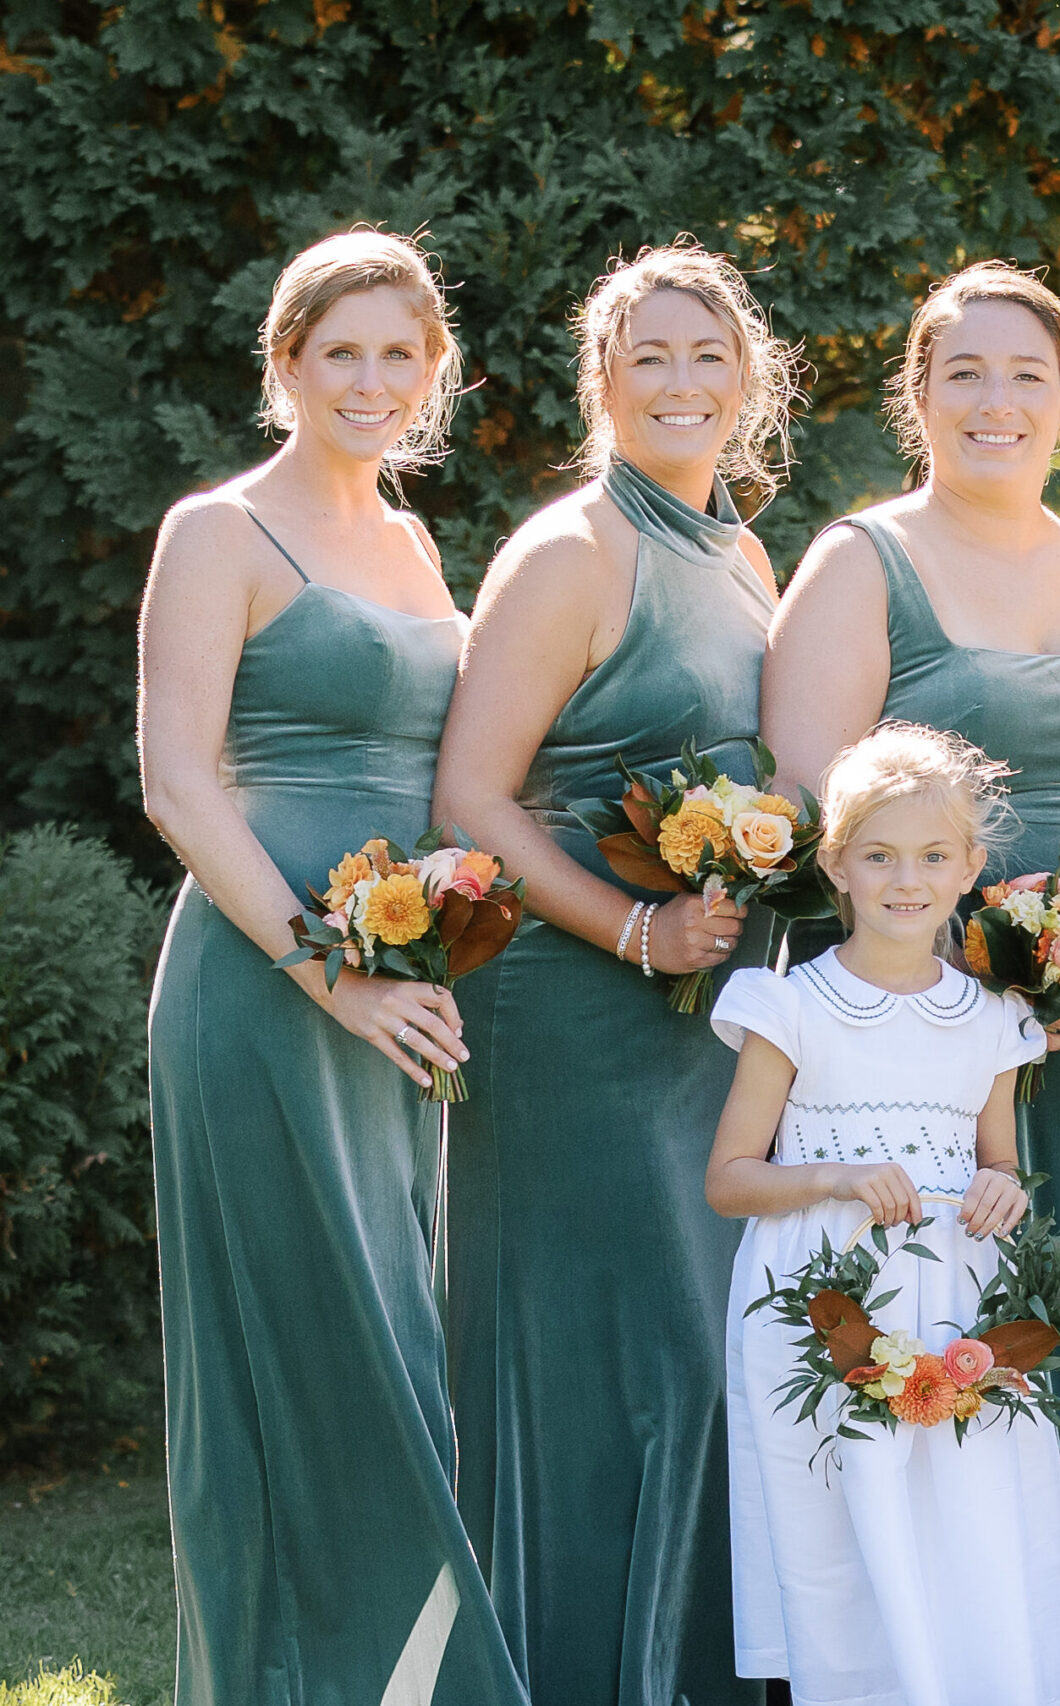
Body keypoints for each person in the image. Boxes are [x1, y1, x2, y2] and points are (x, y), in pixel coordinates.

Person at [761, 261, 1060, 1693]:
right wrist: (980, 959)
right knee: (943, 1321)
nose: (997, 402)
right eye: (964, 374)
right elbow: (818, 808)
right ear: (918, 394)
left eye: (1027, 377)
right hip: (933, 1038)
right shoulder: (863, 558)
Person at [140, 228, 527, 1704]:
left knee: (393, 1342)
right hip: (267, 986)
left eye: (399, 354)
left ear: (432, 374)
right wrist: (330, 976)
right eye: (341, 351)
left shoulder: (416, 542)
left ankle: (404, 1675)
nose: (372, 380)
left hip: (400, 989)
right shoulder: (220, 532)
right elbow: (180, 784)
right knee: (301, 1350)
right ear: (286, 364)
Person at [434, 241, 797, 1706]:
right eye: (648, 354)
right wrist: (634, 930)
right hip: (575, 1011)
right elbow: (472, 794)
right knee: (625, 1373)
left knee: (710, 1359)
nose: (682, 381)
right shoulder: (572, 549)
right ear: (600, 381)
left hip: (710, 1020)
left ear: (752, 377)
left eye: (708, 353)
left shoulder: (747, 552)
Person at [708, 721, 1060, 1706]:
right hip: (824, 1297)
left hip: (957, 1306)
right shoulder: (790, 1006)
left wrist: (1002, 1186)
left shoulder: (996, 1019)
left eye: (929, 856)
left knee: (965, 1513)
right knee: (839, 1519)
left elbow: (998, 1164)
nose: (903, 879)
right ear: (835, 862)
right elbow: (730, 1178)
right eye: (877, 855)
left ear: (968, 868)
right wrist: (833, 1177)